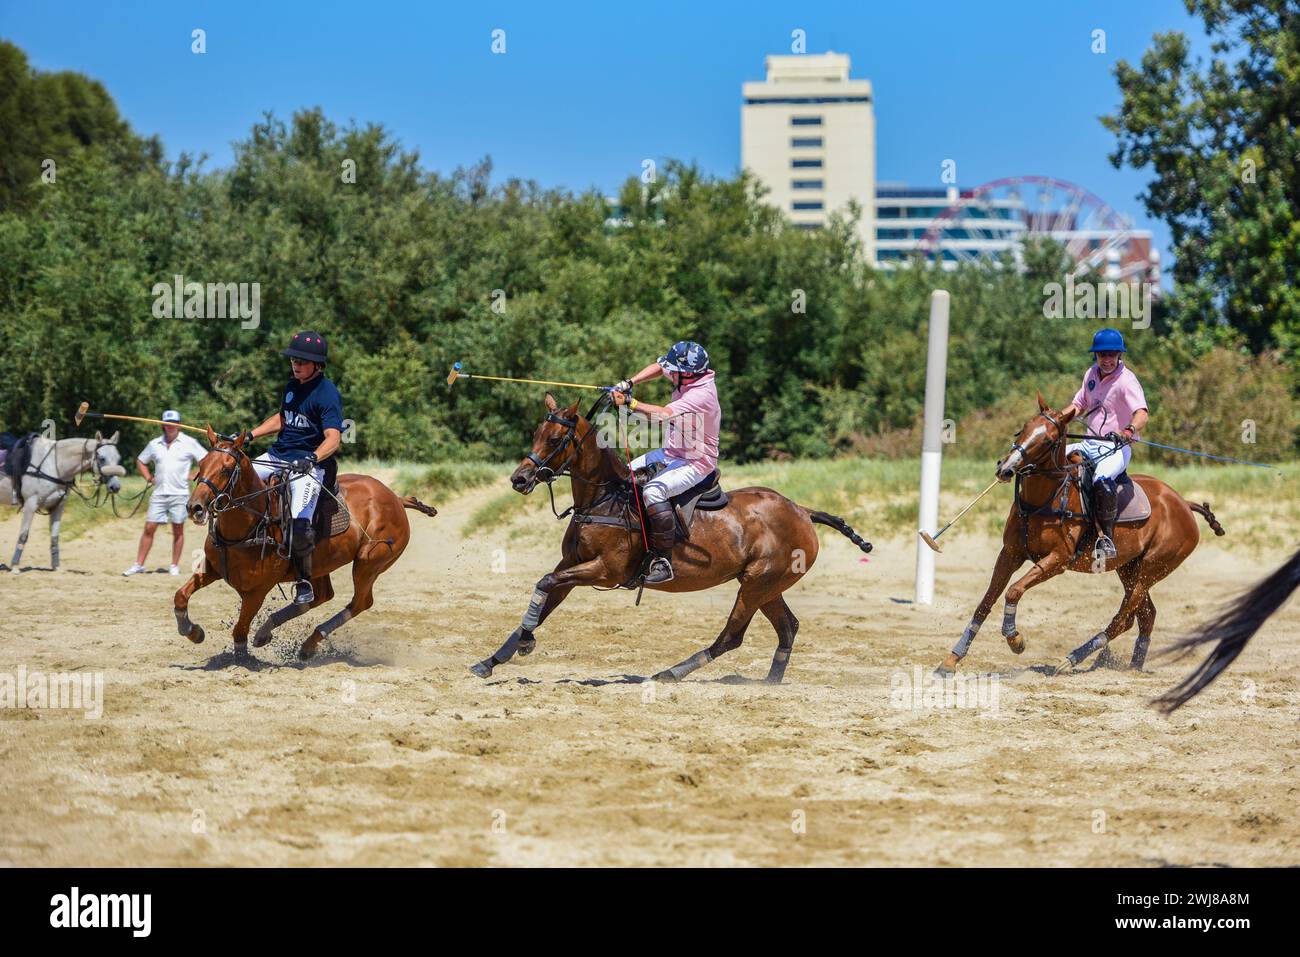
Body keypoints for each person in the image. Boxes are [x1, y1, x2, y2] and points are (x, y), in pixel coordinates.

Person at [241, 331, 343, 604]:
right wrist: (251, 434)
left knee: (300, 525)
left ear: (317, 365)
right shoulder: (292, 385)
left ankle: (304, 581)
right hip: (277, 454)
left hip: (308, 466)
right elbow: (282, 418)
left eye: (302, 360)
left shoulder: (327, 393)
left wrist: (312, 458)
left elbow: (334, 437)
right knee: (236, 477)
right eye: (294, 359)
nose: (296, 364)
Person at [609, 340, 721, 584]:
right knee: (622, 475)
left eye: (675, 371)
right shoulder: (687, 375)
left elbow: (662, 415)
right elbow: (660, 367)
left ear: (687, 374)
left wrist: (630, 403)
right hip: (671, 452)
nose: (670, 373)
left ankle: (662, 560)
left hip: (696, 461)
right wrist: (629, 383)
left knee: (653, 492)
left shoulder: (702, 394)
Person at [1061, 328, 1149, 561]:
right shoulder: (1091, 374)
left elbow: (1141, 413)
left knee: (1102, 479)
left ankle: (1105, 538)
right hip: (1090, 443)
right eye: (1102, 355)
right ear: (1096, 356)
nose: (1107, 360)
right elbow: (1079, 404)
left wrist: (1128, 430)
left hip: (1116, 448)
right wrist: (1056, 420)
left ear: (1119, 355)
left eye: (1111, 354)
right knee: (1053, 456)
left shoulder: (1126, 380)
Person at [124, 411, 207, 576]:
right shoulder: (154, 443)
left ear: (179, 424)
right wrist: (148, 476)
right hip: (159, 494)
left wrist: (195, 475)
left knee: (178, 529)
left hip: (180, 493)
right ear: (163, 424)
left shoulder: (189, 442)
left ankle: (174, 565)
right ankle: (138, 564)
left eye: (174, 422)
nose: (170, 426)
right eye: (167, 423)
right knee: (149, 527)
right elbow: (141, 460)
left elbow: (206, 459)